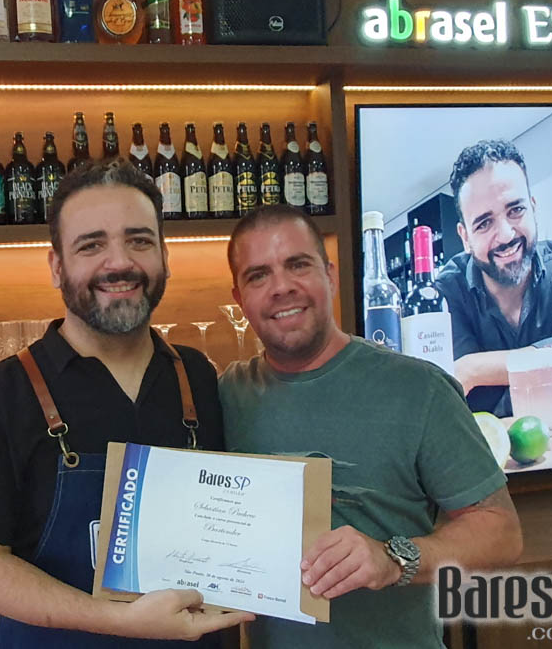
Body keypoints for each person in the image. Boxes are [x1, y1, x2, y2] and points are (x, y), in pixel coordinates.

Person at [0, 159, 253, 648]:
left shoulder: (197, 374)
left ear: (165, 256)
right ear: (56, 266)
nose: (119, 262)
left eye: (139, 240)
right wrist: (122, 621)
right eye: (91, 245)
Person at [219, 204, 523, 649]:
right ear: (239, 298)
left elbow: (502, 532)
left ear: (330, 276)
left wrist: (392, 558)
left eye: (298, 265)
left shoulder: (418, 388)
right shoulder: (225, 395)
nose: (282, 287)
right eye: (258, 275)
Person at [435, 139, 552, 416]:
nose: (506, 235)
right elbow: (478, 404)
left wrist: (474, 368)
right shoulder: (448, 290)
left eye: (515, 210)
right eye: (484, 223)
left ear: (533, 207)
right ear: (465, 237)